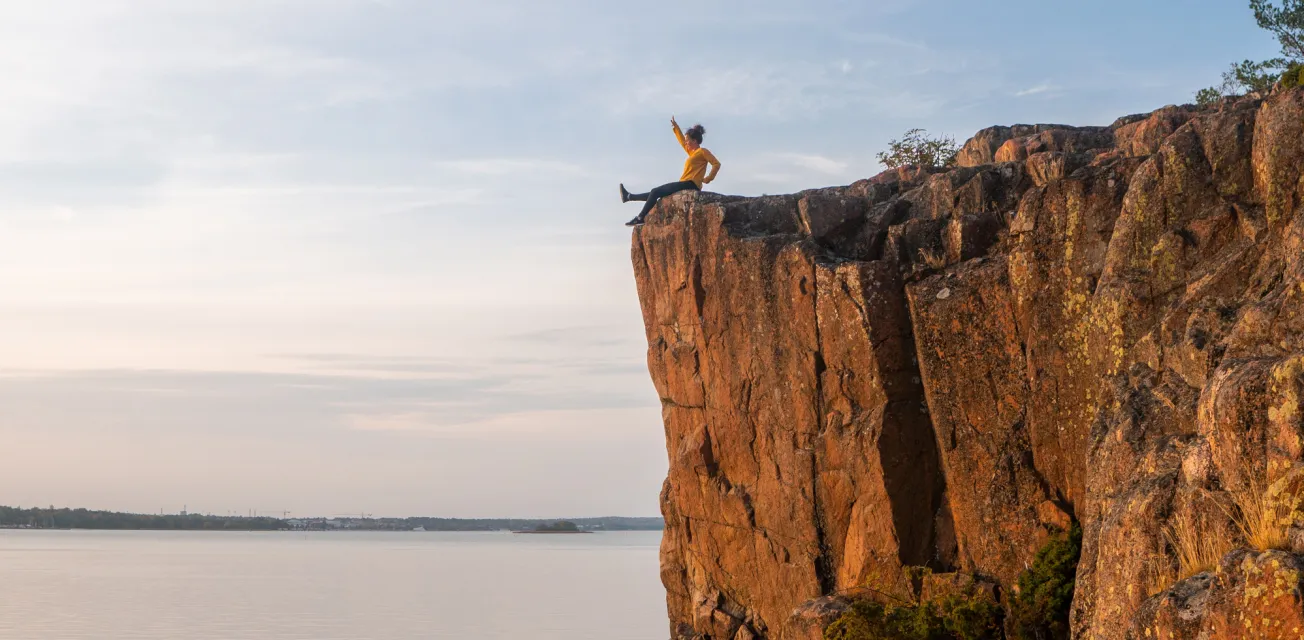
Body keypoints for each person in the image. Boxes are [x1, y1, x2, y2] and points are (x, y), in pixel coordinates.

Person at [620, 116, 721, 226]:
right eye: (686, 141)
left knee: (655, 191)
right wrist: (676, 128)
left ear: (695, 141)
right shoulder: (692, 153)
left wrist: (708, 178)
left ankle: (640, 217)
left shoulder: (702, 151)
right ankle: (629, 197)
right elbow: (682, 142)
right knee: (655, 194)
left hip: (691, 184)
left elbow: (716, 164)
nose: (686, 143)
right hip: (685, 183)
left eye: (688, 141)